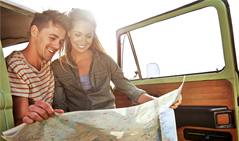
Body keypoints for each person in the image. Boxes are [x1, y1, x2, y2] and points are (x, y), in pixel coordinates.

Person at [51, 8, 181, 112]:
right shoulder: (57, 67)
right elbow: (60, 105)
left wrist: (159, 102)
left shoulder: (106, 62)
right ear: (69, 33)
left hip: (108, 124)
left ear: (93, 35)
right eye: (77, 35)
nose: (83, 41)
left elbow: (132, 91)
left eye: (88, 36)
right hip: (77, 128)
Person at [5, 10, 69, 126]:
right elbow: (21, 121)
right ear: (34, 31)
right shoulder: (17, 65)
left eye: (61, 41)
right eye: (52, 38)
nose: (57, 46)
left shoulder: (47, 64)